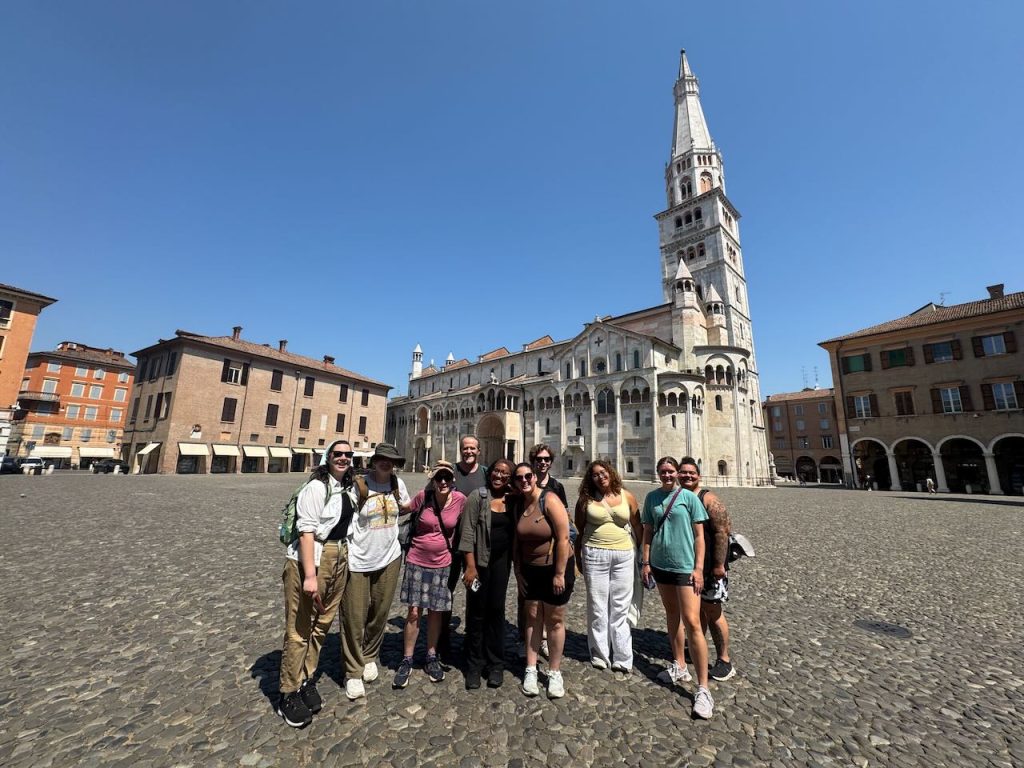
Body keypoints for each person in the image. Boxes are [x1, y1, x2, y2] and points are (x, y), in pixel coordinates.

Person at [277, 439, 358, 727]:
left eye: (348, 455)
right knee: (299, 628)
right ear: (327, 458)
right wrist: (310, 574)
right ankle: (287, 692)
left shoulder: (348, 487)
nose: (344, 458)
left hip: (339, 557)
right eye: (338, 454)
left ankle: (306, 679)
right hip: (312, 558)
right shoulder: (316, 487)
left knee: (322, 624)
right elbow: (306, 531)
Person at [640, 456, 714, 719]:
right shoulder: (651, 498)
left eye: (671, 471)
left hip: (685, 568)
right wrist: (646, 562)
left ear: (677, 474)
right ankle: (679, 665)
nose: (668, 475)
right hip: (661, 566)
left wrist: (699, 569)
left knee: (692, 622)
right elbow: (647, 532)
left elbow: (699, 536)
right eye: (664, 471)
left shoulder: (690, 498)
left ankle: (703, 688)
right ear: (659, 473)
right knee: (672, 616)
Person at [339, 443, 409, 700]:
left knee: (380, 612)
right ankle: (353, 671)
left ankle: (369, 655)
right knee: (353, 617)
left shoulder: (398, 485)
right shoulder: (358, 485)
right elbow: (341, 517)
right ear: (374, 461)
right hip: (358, 559)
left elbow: (407, 507)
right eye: (381, 459)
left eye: (390, 460)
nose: (386, 463)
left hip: (390, 558)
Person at [393, 461, 467, 688]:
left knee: (435, 611)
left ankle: (431, 656)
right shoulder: (422, 497)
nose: (443, 482)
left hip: (442, 562)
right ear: (433, 480)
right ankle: (407, 659)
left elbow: (470, 524)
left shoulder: (461, 501)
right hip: (417, 559)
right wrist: (387, 489)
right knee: (414, 611)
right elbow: (402, 509)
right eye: (438, 478)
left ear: (452, 480)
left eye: (447, 477)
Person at [512, 462, 574, 699]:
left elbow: (563, 536)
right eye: (520, 478)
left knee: (555, 619)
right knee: (533, 616)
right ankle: (530, 668)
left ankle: (554, 671)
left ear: (535, 478)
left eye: (528, 476)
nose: (525, 480)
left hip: (555, 569)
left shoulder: (549, 499)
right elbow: (517, 543)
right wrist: (518, 572)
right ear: (516, 482)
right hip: (530, 570)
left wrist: (559, 573)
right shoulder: (519, 504)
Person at [575, 460, 642, 672]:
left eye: (603, 472)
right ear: (590, 478)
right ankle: (600, 653)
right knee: (597, 605)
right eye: (595, 474)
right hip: (595, 554)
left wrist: (642, 556)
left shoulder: (626, 496)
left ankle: (622, 656)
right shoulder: (585, 500)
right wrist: (578, 558)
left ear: (610, 473)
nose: (600, 477)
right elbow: (579, 528)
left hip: (623, 554)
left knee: (620, 607)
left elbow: (638, 525)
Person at [459, 458, 516, 689]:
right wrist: (470, 567)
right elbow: (468, 533)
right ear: (489, 472)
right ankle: (474, 664)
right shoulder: (477, 497)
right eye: (496, 471)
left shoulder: (513, 500)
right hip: (478, 565)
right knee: (476, 611)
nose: (499, 476)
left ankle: (495, 664)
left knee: (496, 611)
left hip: (502, 564)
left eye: (504, 473)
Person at [678, 458, 735, 682]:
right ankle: (696, 647)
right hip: (689, 566)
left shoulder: (708, 498)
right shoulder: (681, 496)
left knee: (713, 612)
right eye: (683, 473)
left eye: (691, 473)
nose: (687, 476)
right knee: (696, 610)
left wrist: (720, 565)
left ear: (699, 475)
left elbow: (723, 532)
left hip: (711, 567)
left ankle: (724, 659)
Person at [518, 444, 572, 659]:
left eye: (546, 459)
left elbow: (565, 525)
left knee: (552, 605)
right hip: (529, 557)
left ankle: (546, 640)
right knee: (528, 604)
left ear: (551, 462)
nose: (542, 462)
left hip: (551, 557)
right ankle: (527, 639)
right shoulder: (522, 484)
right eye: (539, 459)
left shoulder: (556, 487)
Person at [438, 435, 487, 661]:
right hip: (449, 542)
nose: (468, 451)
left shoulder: (485, 473)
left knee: (475, 592)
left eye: (472, 448)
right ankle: (442, 639)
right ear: (460, 450)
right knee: (445, 590)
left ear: (479, 450)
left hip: (477, 545)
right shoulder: (451, 472)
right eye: (465, 448)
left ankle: (473, 638)